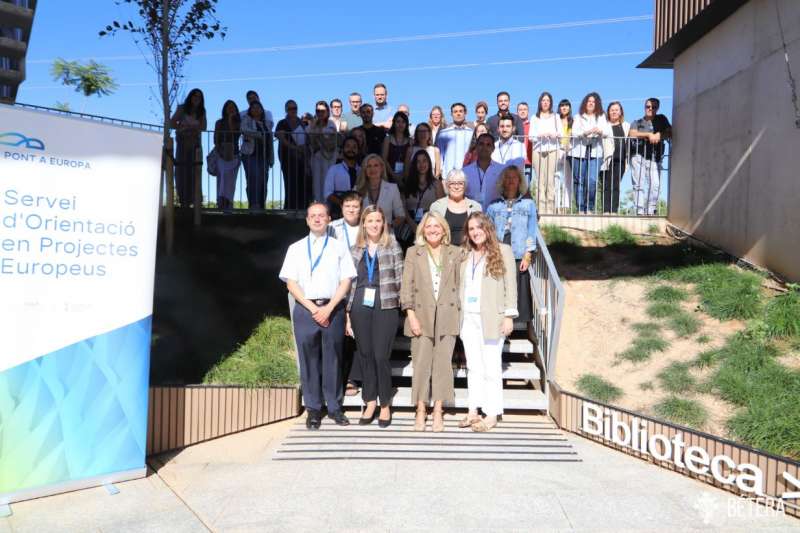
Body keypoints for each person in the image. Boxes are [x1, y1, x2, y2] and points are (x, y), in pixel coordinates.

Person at [279, 202, 356, 429]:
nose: (317, 219)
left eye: (321, 215)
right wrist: (314, 309)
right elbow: (291, 283)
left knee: (333, 358)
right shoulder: (296, 248)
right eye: (312, 216)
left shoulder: (339, 247)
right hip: (306, 309)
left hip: (333, 308)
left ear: (329, 219)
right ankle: (313, 409)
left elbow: (346, 280)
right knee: (309, 359)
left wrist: (329, 307)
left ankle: (334, 407)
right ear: (307, 220)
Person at [400, 211, 463, 432]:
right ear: (422, 230)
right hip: (420, 315)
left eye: (437, 226)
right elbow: (406, 287)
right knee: (421, 364)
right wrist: (410, 314)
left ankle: (438, 410)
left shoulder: (456, 253)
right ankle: (420, 409)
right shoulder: (413, 253)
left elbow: (461, 284)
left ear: (445, 229)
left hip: (448, 315)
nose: (433, 230)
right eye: (429, 226)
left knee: (443, 365)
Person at [345, 205, 403, 427]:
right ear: (364, 224)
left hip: (385, 303)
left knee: (381, 356)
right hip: (359, 304)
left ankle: (385, 404)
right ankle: (369, 401)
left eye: (378, 220)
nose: (374, 225)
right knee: (366, 354)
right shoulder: (353, 249)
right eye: (370, 221)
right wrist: (347, 315)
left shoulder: (393, 246)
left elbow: (401, 278)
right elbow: (347, 283)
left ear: (383, 223)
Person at [459, 212, 517, 432]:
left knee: (491, 367)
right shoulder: (465, 253)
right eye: (471, 229)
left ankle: (492, 413)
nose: (475, 232)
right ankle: (473, 410)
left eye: (479, 227)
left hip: (492, 318)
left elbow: (511, 285)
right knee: (473, 366)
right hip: (468, 318)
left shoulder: (504, 251)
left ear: (488, 228)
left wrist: (509, 316)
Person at [486, 166, 538, 325]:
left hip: (519, 249)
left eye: (514, 177)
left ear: (520, 181)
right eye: (507, 177)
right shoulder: (493, 205)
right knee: (500, 285)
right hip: (499, 248)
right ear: (503, 181)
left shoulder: (528, 204)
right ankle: (500, 323)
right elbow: (487, 229)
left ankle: (524, 325)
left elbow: (532, 229)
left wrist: (528, 253)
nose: (511, 181)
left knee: (520, 287)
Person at [329, 192, 363, 397]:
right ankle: (338, 377)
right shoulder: (333, 228)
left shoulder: (367, 225)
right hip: (338, 284)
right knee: (341, 331)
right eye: (348, 206)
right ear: (342, 208)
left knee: (357, 331)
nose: (351, 210)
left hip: (362, 283)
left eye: (355, 206)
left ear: (361, 208)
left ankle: (353, 377)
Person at [628, 97, 671, 215]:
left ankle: (651, 209)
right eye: (648, 106)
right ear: (644, 107)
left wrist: (659, 135)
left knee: (655, 185)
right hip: (638, 155)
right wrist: (648, 135)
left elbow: (669, 132)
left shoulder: (662, 119)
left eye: (653, 107)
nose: (650, 109)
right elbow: (632, 133)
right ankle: (639, 210)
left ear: (658, 108)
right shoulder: (637, 122)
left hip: (655, 157)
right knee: (638, 184)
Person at [571, 92, 610, 213]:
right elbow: (574, 132)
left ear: (597, 104)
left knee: (592, 180)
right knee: (579, 180)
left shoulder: (602, 116)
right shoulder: (578, 116)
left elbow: (607, 132)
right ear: (585, 103)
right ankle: (580, 208)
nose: (591, 103)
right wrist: (585, 133)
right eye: (589, 101)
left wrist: (599, 131)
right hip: (579, 151)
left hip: (595, 151)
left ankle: (590, 207)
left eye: (593, 102)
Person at [170, 88, 206, 208]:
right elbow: (172, 123)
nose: (196, 98)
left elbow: (204, 127)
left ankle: (196, 201)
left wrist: (193, 127)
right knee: (181, 171)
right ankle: (183, 201)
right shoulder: (182, 108)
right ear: (190, 97)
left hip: (195, 144)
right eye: (194, 96)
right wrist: (183, 126)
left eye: (199, 97)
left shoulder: (201, 111)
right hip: (183, 143)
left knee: (195, 172)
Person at [429, 169, 482, 246]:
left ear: (465, 186)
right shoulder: (436, 206)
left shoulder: (476, 207)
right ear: (447, 185)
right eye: (452, 183)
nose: (456, 187)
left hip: (469, 252)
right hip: (445, 252)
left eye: (460, 183)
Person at [530, 91, 563, 214]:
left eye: (547, 100)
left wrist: (553, 134)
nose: (545, 102)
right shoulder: (534, 117)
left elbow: (561, 133)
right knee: (540, 181)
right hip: (538, 150)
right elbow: (531, 136)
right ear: (540, 102)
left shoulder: (556, 117)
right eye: (543, 100)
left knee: (550, 181)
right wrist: (540, 135)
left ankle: (550, 209)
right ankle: (541, 209)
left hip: (552, 150)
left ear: (550, 103)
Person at [356, 153, 407, 229]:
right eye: (369, 166)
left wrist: (389, 226)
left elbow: (401, 215)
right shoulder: (357, 189)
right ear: (364, 170)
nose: (372, 169)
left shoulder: (392, 188)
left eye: (376, 165)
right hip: (364, 235)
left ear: (382, 168)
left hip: (386, 235)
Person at [275, 99, 309, 209]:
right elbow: (280, 136)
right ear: (286, 110)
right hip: (288, 158)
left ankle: (303, 209)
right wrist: (295, 148)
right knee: (290, 184)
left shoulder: (302, 123)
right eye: (290, 108)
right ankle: (289, 209)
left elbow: (308, 138)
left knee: (302, 184)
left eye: (294, 108)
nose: (293, 110)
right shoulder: (282, 123)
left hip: (302, 159)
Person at [241, 100, 273, 210]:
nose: (256, 109)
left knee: (263, 180)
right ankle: (253, 205)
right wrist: (258, 134)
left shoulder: (266, 123)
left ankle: (261, 205)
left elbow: (269, 140)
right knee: (253, 178)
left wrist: (271, 158)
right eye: (253, 107)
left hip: (263, 156)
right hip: (250, 154)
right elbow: (244, 130)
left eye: (258, 107)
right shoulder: (247, 119)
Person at [600, 101, 630, 213]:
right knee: (606, 185)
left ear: (621, 112)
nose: (614, 112)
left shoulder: (627, 126)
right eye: (612, 110)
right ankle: (605, 211)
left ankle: (614, 211)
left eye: (616, 110)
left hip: (621, 159)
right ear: (608, 112)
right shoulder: (604, 125)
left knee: (616, 185)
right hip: (607, 159)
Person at [404, 150, 445, 232]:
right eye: (418, 162)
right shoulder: (408, 184)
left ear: (429, 163)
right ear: (414, 165)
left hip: (431, 226)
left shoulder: (436, 184)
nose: (421, 164)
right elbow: (403, 208)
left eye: (424, 161)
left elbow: (441, 208)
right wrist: (413, 225)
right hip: (410, 227)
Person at [213, 100, 242, 212]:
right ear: (224, 109)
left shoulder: (238, 123)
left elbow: (235, 134)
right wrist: (220, 151)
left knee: (231, 182)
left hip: (234, 155)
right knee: (222, 179)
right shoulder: (219, 122)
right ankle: (220, 204)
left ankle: (229, 205)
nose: (230, 109)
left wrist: (231, 120)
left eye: (233, 107)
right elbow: (216, 139)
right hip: (221, 154)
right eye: (228, 107)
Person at [463, 132, 505, 208]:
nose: (484, 147)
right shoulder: (465, 172)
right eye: (481, 144)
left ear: (493, 148)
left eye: (488, 145)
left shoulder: (502, 170)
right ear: (476, 147)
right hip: (472, 216)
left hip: (494, 216)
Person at [308, 101, 339, 203]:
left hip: (329, 159)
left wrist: (319, 132)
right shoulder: (312, 124)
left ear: (327, 112)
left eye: (322, 111)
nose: (320, 113)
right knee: (316, 184)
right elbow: (311, 142)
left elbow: (330, 144)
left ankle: (327, 208)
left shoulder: (331, 124)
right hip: (316, 158)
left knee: (327, 183)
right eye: (318, 111)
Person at [323, 136, 361, 217]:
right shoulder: (333, 169)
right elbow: (328, 193)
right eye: (348, 146)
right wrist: (344, 204)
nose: (351, 149)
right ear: (342, 149)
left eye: (354, 147)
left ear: (358, 151)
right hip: (337, 212)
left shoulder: (361, 171)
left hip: (358, 211)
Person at [435, 102, 473, 181]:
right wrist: (441, 172)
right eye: (455, 112)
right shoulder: (443, 133)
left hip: (468, 177)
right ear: (451, 114)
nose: (458, 114)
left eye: (460, 111)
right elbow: (440, 155)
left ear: (465, 113)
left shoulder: (471, 133)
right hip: (448, 177)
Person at [381, 111, 411, 185]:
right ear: (394, 123)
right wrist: (394, 176)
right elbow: (384, 159)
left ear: (406, 124)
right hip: (389, 177)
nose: (400, 124)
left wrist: (404, 175)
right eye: (398, 121)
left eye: (403, 122)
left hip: (406, 178)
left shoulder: (411, 141)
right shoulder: (387, 139)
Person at [556, 99, 574, 213]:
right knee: (556, 177)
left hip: (569, 150)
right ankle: (557, 205)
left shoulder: (574, 120)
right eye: (562, 106)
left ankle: (566, 206)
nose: (564, 108)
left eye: (566, 106)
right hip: (558, 149)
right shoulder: (556, 120)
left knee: (568, 179)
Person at [517, 102, 532, 183]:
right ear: (517, 112)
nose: (522, 111)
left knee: (526, 187)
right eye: (520, 110)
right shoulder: (513, 126)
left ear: (528, 112)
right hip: (516, 161)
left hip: (528, 161)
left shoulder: (532, 125)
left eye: (525, 109)